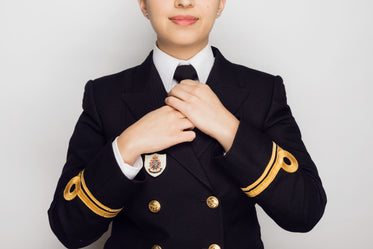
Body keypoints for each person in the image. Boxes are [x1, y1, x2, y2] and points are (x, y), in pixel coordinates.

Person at [48, 0, 327, 248]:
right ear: (143, 4)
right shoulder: (104, 96)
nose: (184, 2)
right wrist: (128, 144)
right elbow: (69, 229)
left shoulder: (263, 91)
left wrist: (229, 128)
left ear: (221, 3)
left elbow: (305, 211)